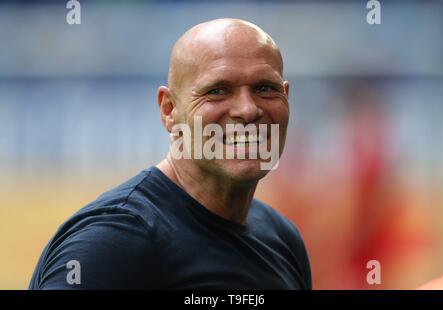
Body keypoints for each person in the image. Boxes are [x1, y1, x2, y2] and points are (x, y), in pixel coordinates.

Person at [29, 18, 312, 290]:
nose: (248, 110)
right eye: (218, 91)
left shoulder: (281, 238)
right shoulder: (115, 242)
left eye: (265, 88)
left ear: (286, 95)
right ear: (169, 110)